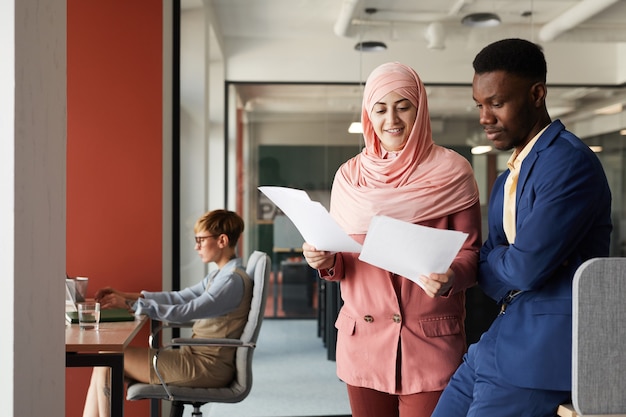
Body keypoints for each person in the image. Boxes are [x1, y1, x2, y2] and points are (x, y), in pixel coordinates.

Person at [431, 38, 613, 417]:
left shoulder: (568, 164)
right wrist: (504, 261)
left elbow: (526, 267)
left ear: (537, 94)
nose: (485, 117)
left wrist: (505, 261)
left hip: (540, 357)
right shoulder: (506, 178)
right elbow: (491, 271)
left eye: (497, 103)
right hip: (495, 344)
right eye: (480, 105)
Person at [302, 62, 482, 417]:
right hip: (363, 343)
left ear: (421, 109)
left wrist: (451, 276)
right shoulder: (349, 177)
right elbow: (341, 259)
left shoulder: (454, 171)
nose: (392, 120)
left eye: (403, 106)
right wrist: (325, 262)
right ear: (369, 114)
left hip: (429, 342)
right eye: (380, 109)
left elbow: (471, 254)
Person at [82, 209, 252, 417]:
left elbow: (186, 311)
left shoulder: (230, 281)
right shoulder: (221, 275)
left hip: (205, 367)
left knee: (108, 360)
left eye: (201, 240)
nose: (196, 246)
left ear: (222, 240)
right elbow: (179, 298)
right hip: (196, 360)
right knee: (105, 360)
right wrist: (127, 296)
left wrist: (131, 305)